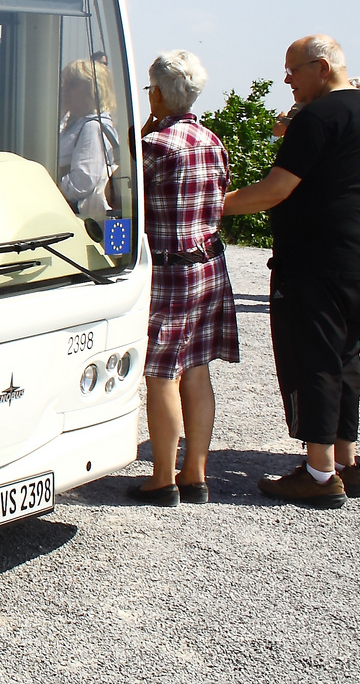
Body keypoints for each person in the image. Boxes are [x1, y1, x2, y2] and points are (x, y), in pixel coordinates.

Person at [222, 35, 360, 506]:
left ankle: (317, 475)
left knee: (312, 360)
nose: (288, 79)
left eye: (293, 70)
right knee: (344, 360)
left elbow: (276, 189)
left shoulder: (318, 117)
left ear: (321, 66)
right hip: (355, 260)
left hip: (312, 262)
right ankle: (345, 462)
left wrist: (211, 206)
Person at [127, 51, 239, 506]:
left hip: (169, 267)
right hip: (208, 263)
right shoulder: (212, 140)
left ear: (157, 93)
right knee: (196, 370)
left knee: (161, 374)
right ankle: (194, 473)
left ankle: (162, 477)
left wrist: (142, 131)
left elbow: (119, 191)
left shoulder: (154, 146)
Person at [58, 57, 118, 218]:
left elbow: (82, 182)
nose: (64, 89)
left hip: (75, 217)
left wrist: (46, 184)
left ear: (91, 89)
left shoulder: (93, 126)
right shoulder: (73, 122)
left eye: (72, 84)